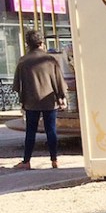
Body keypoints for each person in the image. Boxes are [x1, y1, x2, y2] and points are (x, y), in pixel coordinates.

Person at [9, 31, 67, 170]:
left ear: (27, 44)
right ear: (42, 43)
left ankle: (27, 161)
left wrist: (22, 99)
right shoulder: (50, 60)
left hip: (31, 101)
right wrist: (62, 97)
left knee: (30, 131)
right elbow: (58, 81)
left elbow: (17, 84)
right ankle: (54, 160)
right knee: (51, 130)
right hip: (49, 100)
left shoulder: (23, 61)